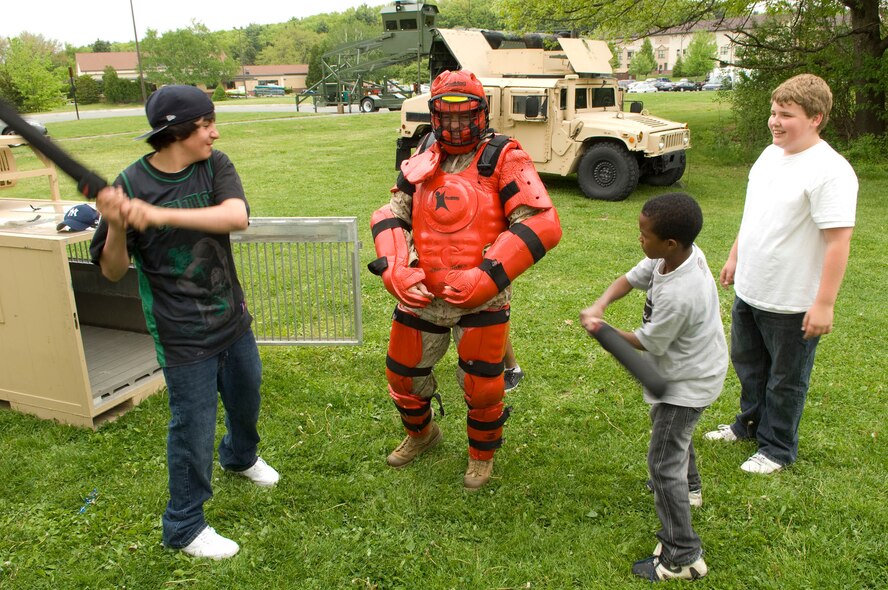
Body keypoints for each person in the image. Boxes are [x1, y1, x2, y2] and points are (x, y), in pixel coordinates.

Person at [89, 85, 279, 560]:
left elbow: (237, 216)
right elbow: (111, 270)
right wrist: (117, 223)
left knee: (246, 395)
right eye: (206, 124)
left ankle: (239, 456)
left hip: (229, 315)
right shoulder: (129, 185)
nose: (215, 131)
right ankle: (184, 524)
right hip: (180, 330)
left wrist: (156, 214)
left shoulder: (215, 166)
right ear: (177, 132)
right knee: (192, 425)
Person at [369, 69, 562, 490]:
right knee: (403, 374)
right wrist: (395, 269)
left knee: (482, 385)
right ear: (434, 114)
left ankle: (480, 458)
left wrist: (488, 276)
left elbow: (542, 222)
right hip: (425, 292)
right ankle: (422, 435)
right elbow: (390, 214)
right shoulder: (424, 152)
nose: (455, 125)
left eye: (464, 114)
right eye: (446, 115)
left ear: (482, 112)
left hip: (482, 300)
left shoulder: (505, 157)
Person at [704, 74, 858, 475]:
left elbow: (838, 242)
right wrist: (736, 256)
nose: (775, 121)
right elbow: (755, 213)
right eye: (774, 112)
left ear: (816, 118)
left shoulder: (830, 171)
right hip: (752, 289)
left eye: (786, 115)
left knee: (785, 379)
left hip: (792, 300)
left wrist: (824, 303)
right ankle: (749, 425)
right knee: (750, 366)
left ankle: (777, 449)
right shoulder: (770, 155)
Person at [580, 193, 727, 582]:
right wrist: (600, 304)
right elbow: (632, 278)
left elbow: (646, 342)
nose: (640, 239)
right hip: (687, 369)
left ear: (671, 243)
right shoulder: (672, 258)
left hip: (687, 382)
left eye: (645, 235)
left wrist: (602, 328)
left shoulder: (683, 293)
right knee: (673, 436)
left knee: (663, 462)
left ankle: (683, 556)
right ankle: (690, 488)